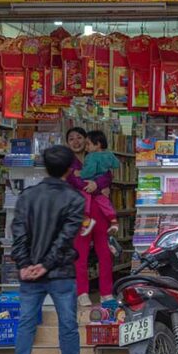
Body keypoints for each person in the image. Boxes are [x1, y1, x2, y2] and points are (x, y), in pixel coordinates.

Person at [10, 145, 90, 354]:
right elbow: (65, 239)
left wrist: (24, 265)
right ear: (70, 168)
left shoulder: (27, 196)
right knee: (67, 323)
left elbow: (19, 233)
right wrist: (45, 265)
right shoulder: (76, 199)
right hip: (61, 271)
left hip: (30, 273)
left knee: (26, 323)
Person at [65, 127, 114, 308]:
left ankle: (106, 292)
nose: (76, 141)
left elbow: (108, 175)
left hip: (100, 211)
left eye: (79, 137)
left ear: (86, 141)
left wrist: (97, 183)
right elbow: (74, 181)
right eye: (71, 138)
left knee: (105, 252)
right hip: (80, 213)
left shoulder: (96, 157)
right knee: (81, 253)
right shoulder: (67, 162)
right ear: (67, 143)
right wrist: (96, 185)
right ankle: (82, 292)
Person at [77, 130, 120, 238]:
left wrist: (80, 174)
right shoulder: (109, 154)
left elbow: (89, 171)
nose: (85, 147)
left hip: (91, 183)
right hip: (103, 186)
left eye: (88, 144)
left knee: (84, 201)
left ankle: (86, 222)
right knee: (105, 203)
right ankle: (114, 222)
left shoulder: (91, 157)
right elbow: (116, 164)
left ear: (98, 144)